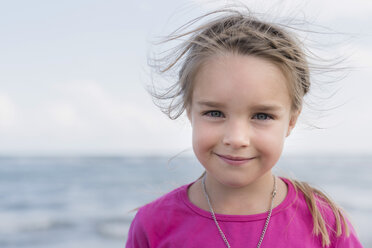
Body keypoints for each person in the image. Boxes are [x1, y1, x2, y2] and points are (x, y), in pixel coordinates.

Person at [126, 7, 363, 248]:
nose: (237, 138)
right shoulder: (153, 225)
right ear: (190, 112)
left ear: (291, 121)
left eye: (262, 115)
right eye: (215, 113)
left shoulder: (325, 225)